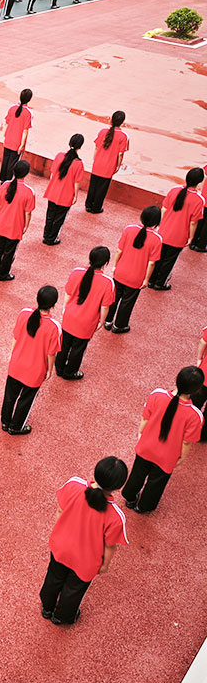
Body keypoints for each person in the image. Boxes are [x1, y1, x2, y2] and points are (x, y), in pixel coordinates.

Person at [39, 458, 129, 625]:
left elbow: (60, 510)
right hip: (86, 560)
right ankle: (62, 616)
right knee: (74, 589)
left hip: (61, 546)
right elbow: (110, 545)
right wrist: (105, 565)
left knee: (54, 575)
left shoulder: (74, 485)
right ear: (118, 486)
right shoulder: (116, 516)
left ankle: (47, 607)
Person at [122, 367, 204, 513]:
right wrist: (181, 458)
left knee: (138, 473)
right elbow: (186, 442)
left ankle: (130, 497)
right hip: (167, 455)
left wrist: (141, 435)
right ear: (196, 389)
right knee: (156, 483)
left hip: (147, 446)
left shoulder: (157, 395)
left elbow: (145, 418)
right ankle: (144, 506)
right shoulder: (195, 416)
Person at [1, 285, 61, 436]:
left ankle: (5, 421)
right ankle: (16, 427)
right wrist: (49, 370)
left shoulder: (24, 314)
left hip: (16, 364)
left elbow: (16, 337)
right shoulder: (54, 327)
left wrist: (12, 355)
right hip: (34, 371)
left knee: (10, 395)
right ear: (53, 305)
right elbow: (51, 353)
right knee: (25, 400)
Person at [56, 247, 114, 380]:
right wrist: (101, 321)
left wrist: (65, 310)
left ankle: (59, 368)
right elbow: (105, 307)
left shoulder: (76, 272)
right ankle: (70, 372)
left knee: (64, 344)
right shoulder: (107, 283)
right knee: (78, 349)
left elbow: (68, 294)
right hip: (87, 322)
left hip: (70, 315)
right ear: (106, 263)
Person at [106, 206, 162, 332]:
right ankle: (119, 325)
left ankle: (107, 321)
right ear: (157, 222)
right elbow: (151, 263)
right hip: (136, 278)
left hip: (120, 272)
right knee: (127, 303)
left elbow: (119, 250)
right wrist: (146, 279)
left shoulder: (129, 229)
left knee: (114, 298)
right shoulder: (157, 239)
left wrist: (115, 266)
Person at [148, 168, 206, 291]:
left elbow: (163, 209)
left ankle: (151, 280)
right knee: (169, 260)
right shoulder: (199, 200)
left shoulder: (174, 190)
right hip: (179, 236)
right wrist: (191, 237)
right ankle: (160, 282)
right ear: (200, 182)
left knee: (159, 257)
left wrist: (160, 226)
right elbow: (193, 222)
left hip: (164, 231)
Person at [42, 135, 85, 245]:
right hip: (66, 195)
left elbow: (52, 174)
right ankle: (52, 238)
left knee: (50, 215)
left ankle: (46, 236)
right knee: (59, 218)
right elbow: (76, 182)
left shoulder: (59, 156)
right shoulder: (78, 163)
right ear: (80, 146)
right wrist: (75, 195)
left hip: (53, 191)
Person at [84, 111, 129, 213]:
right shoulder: (123, 136)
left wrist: (95, 160)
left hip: (98, 162)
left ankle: (88, 205)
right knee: (102, 188)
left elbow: (96, 147)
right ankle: (96, 208)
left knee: (93, 185)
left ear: (111, 119)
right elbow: (120, 154)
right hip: (109, 166)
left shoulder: (103, 131)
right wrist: (118, 166)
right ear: (122, 122)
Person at [0, 89, 32, 182]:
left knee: (5, 160)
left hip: (8, 138)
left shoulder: (12, 108)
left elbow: (7, 123)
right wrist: (22, 145)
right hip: (17, 141)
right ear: (29, 99)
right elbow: (25, 131)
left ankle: (2, 179)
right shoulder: (28, 113)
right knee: (13, 162)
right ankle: (8, 180)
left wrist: (4, 136)